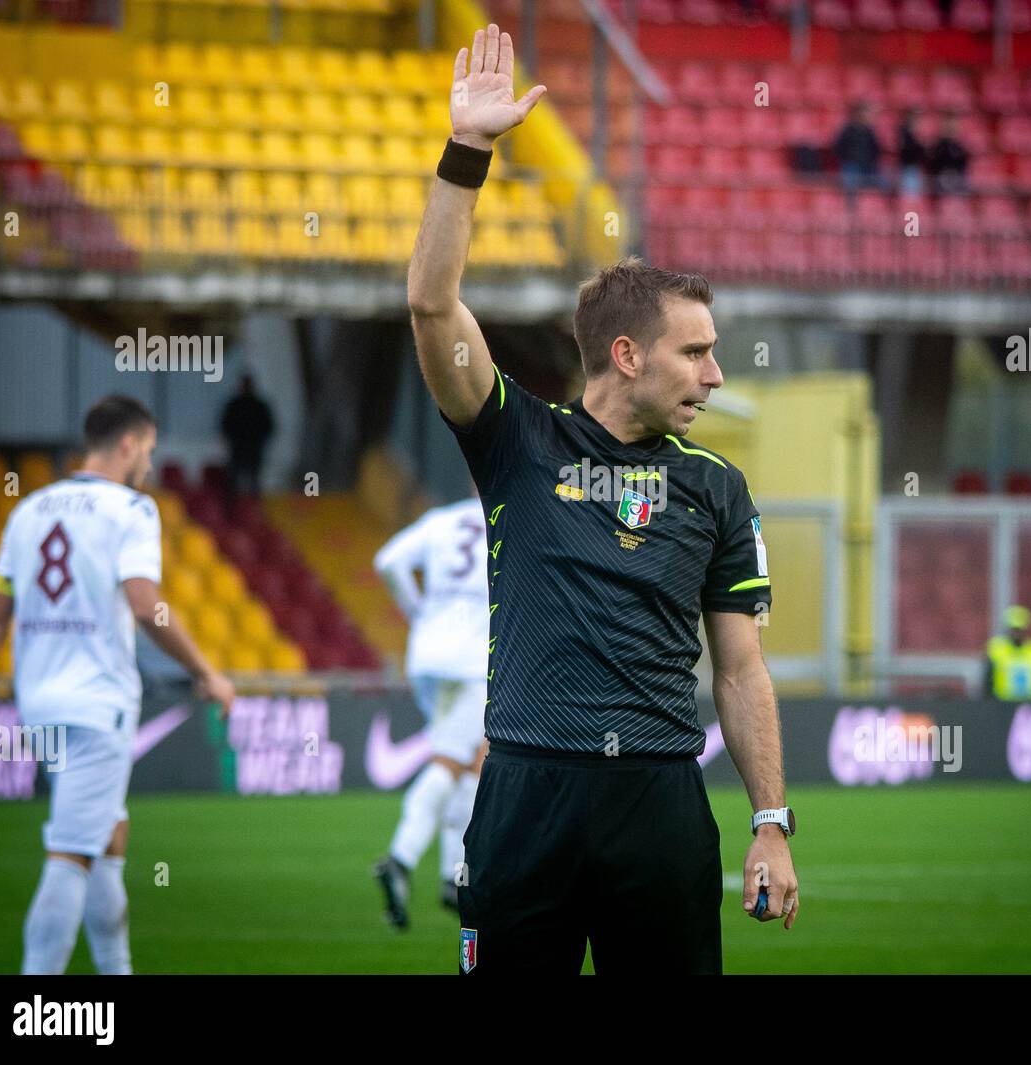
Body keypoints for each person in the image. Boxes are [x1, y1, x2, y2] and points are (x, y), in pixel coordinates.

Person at [409, 24, 796, 975]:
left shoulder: (716, 486)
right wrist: (469, 152)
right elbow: (429, 304)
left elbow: (740, 671)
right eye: (695, 351)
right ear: (627, 355)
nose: (715, 371)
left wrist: (772, 822)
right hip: (527, 794)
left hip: (660, 802)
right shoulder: (515, 439)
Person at [0, 394, 236, 975]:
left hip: (42, 709)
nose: (149, 467)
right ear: (128, 444)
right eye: (150, 452)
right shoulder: (131, 510)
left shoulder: (27, 511)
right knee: (69, 857)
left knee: (108, 838)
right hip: (97, 708)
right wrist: (205, 671)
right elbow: (145, 603)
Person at [371, 494, 490, 928]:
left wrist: (419, 611)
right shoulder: (513, 515)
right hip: (476, 659)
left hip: (427, 655)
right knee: (454, 760)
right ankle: (401, 859)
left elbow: (388, 561)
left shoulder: (442, 519)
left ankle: (454, 877)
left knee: (474, 761)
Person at [218, 374, 276, 496]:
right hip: (238, 448)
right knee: (233, 481)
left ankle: (253, 509)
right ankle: (233, 509)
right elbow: (225, 426)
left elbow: (268, 427)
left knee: (254, 480)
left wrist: (260, 440)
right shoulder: (235, 405)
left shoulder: (258, 406)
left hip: (253, 448)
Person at [984, 605, 1031, 701]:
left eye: (1020, 630)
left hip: (1030, 705)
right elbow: (988, 680)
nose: (1017, 634)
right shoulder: (997, 648)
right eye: (1014, 630)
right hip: (1002, 704)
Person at [831, 101, 885, 193]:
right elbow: (839, 146)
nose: (868, 116)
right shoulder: (848, 130)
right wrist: (847, 158)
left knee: (881, 186)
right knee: (851, 189)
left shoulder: (870, 131)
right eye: (866, 113)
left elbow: (876, 148)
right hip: (852, 165)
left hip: (869, 165)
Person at [928, 113, 969, 195]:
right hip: (940, 177)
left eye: (953, 125)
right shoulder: (938, 145)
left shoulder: (959, 146)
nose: (950, 127)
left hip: (956, 177)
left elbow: (963, 163)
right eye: (948, 125)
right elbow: (933, 163)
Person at [897, 109, 928, 195]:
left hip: (916, 167)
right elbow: (904, 150)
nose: (915, 120)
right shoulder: (903, 132)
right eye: (913, 117)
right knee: (909, 193)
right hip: (906, 167)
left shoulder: (917, 133)